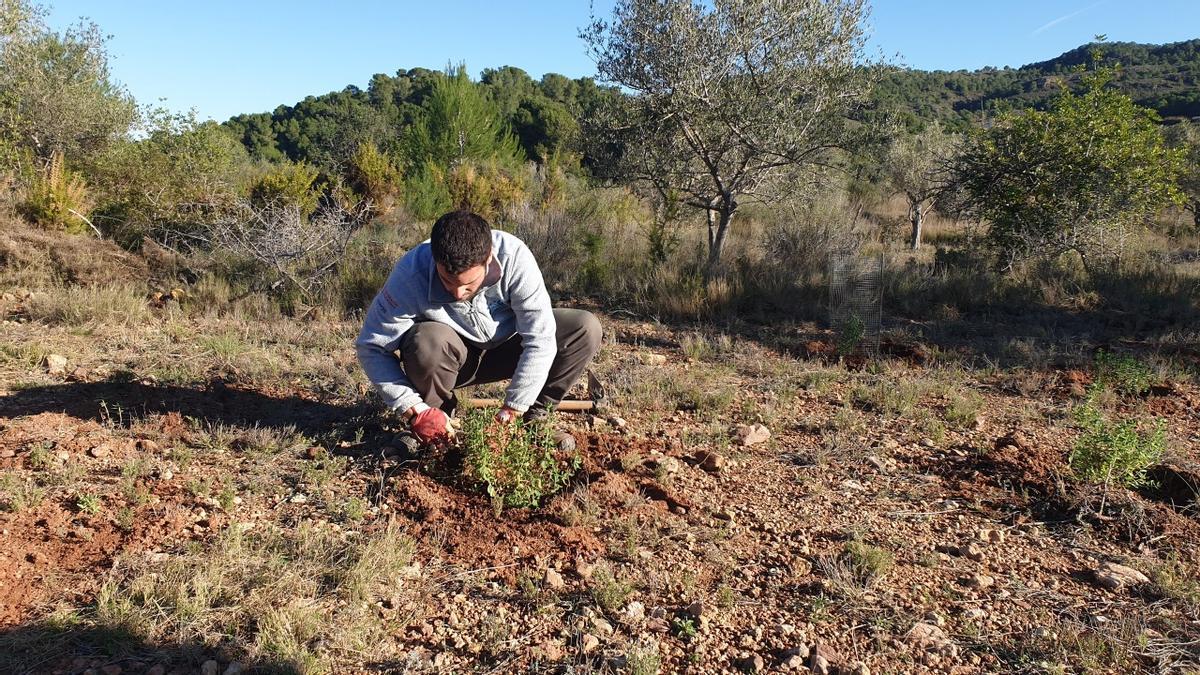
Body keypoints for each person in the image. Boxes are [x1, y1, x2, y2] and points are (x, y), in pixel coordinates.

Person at [355, 210, 602, 450]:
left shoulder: (514, 256)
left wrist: (514, 407)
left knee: (584, 327)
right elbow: (371, 347)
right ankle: (437, 426)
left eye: (468, 284)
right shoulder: (411, 274)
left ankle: (535, 419)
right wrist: (413, 409)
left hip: (509, 350)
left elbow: (540, 338)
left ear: (488, 259)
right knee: (426, 340)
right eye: (447, 281)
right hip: (450, 359)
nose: (457, 293)